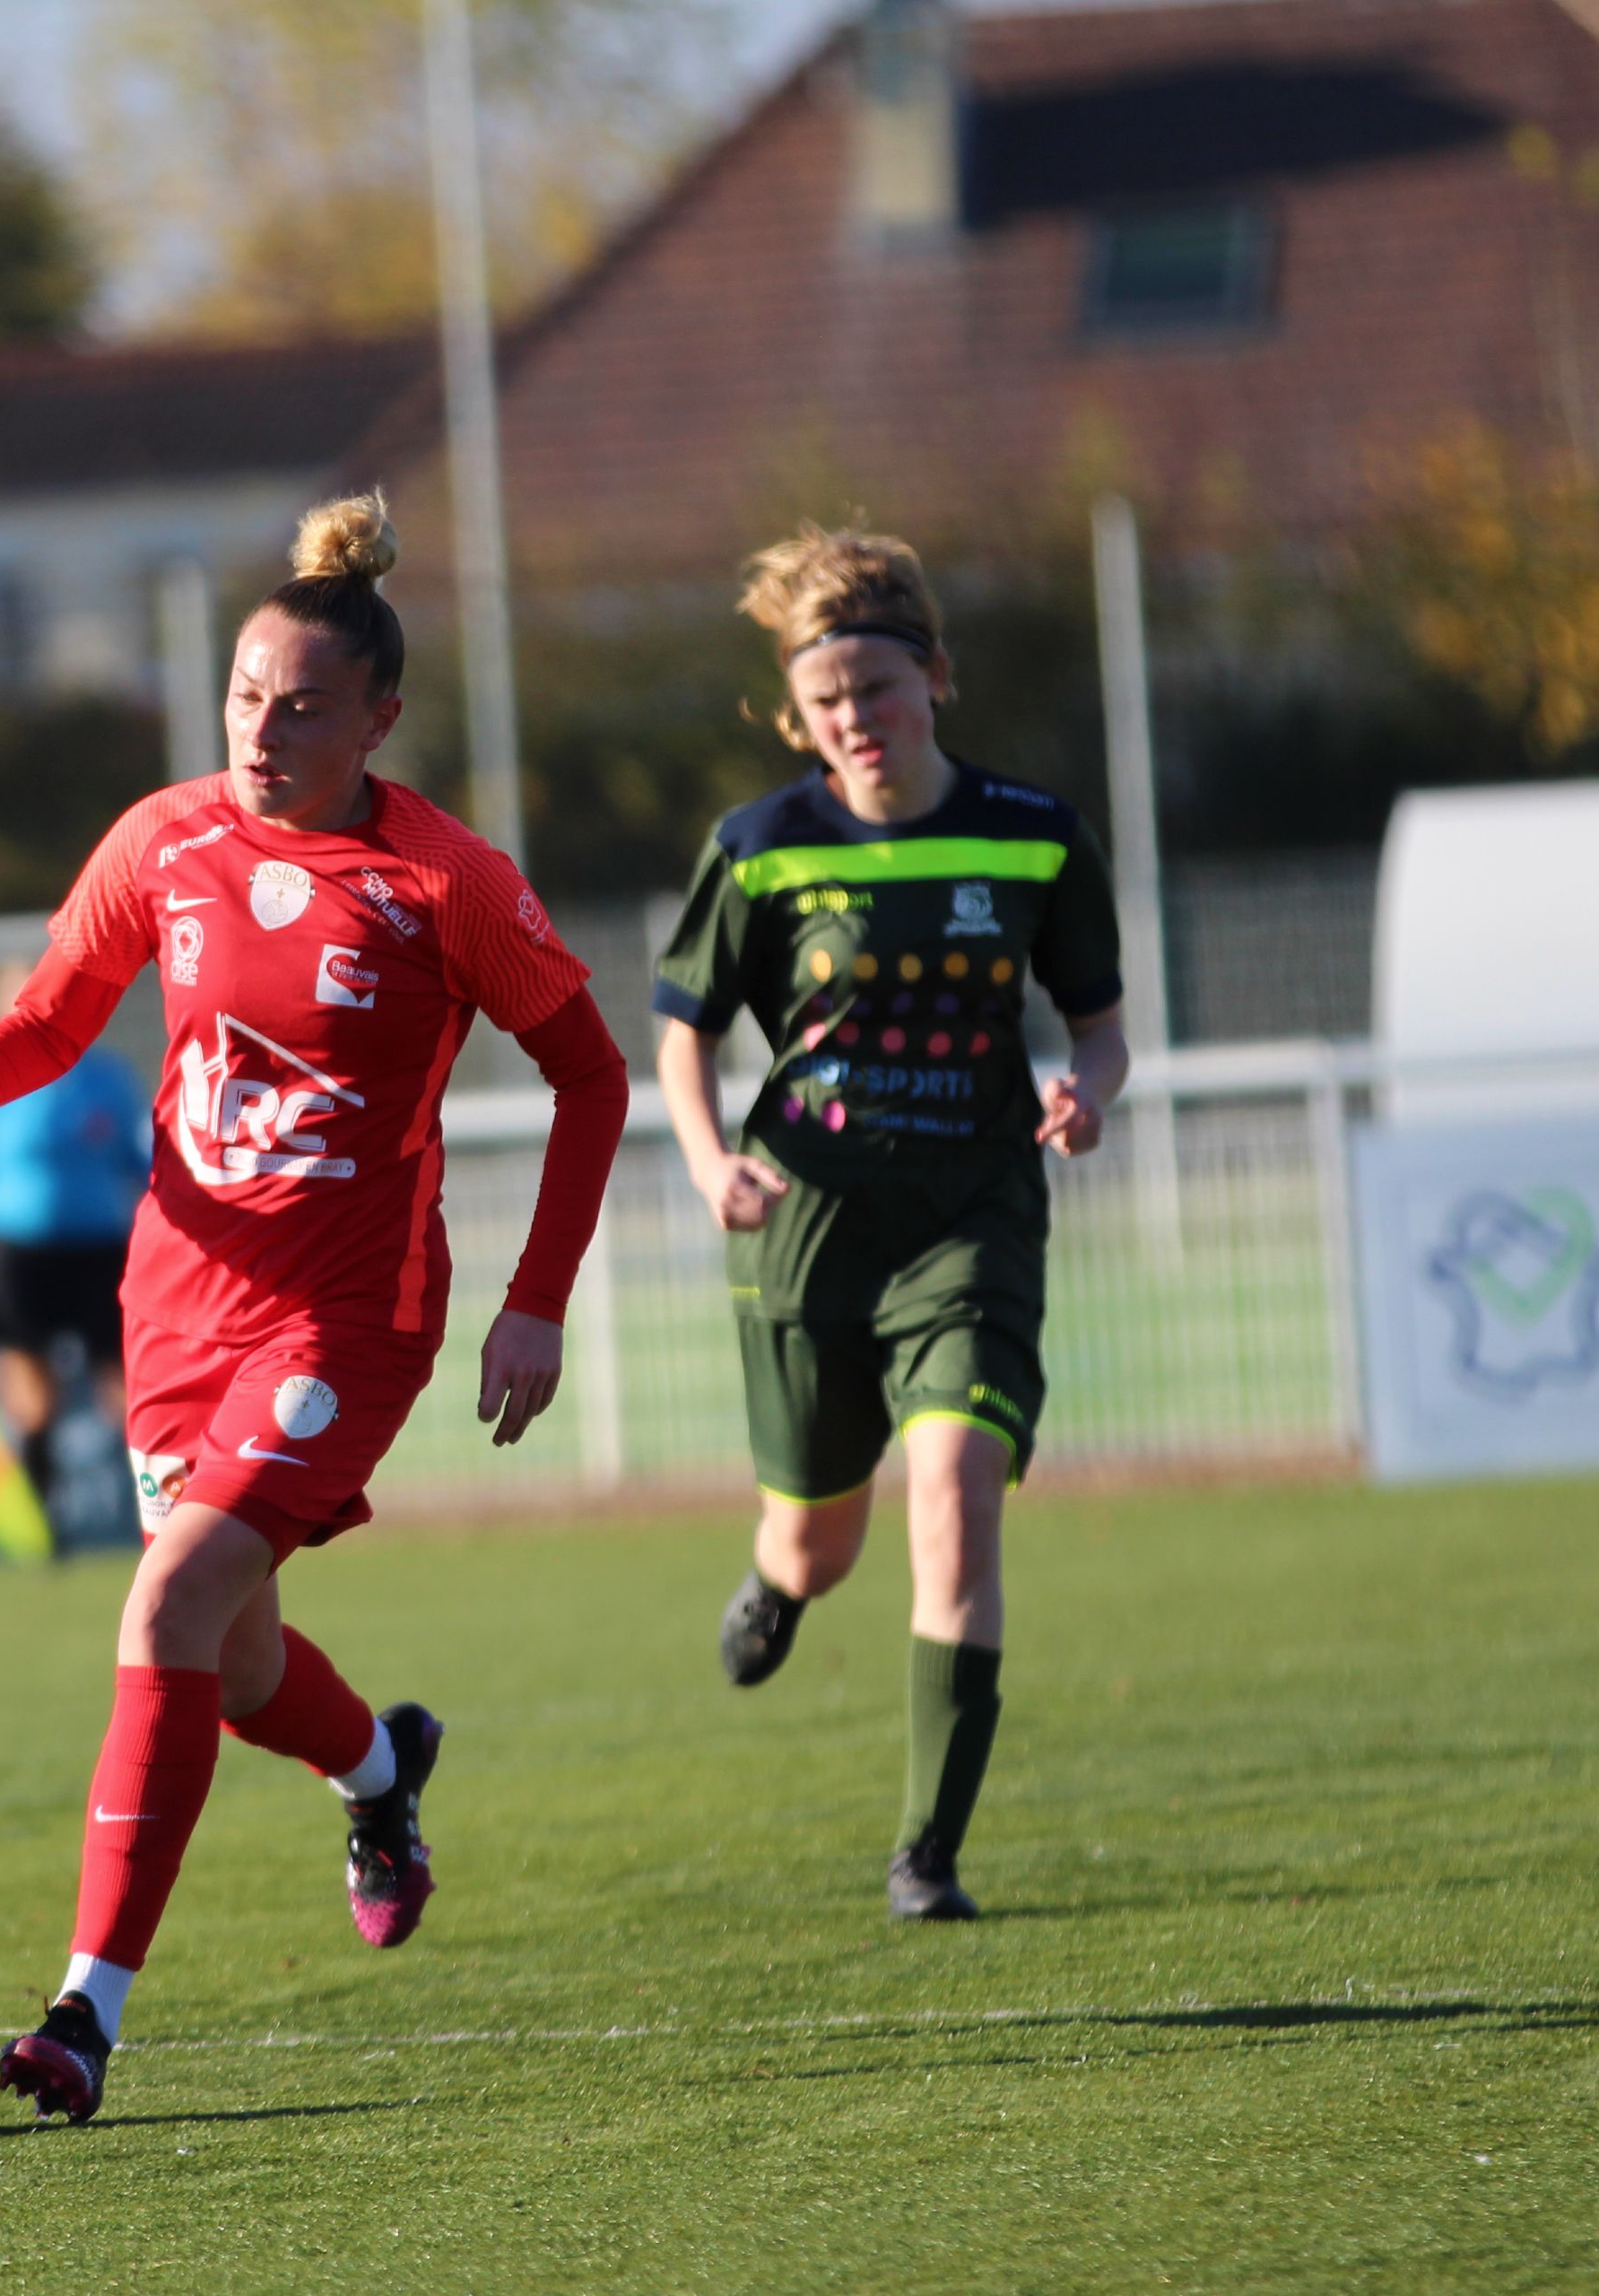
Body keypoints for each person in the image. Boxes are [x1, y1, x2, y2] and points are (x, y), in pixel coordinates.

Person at [0, 492, 630, 2122]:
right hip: (176, 1306)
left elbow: (590, 1081)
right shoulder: (162, 840)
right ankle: (381, 1778)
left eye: (306, 705)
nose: (266, 729)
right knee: (238, 1667)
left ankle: (83, 2017)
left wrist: (537, 1301)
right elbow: (47, 1027)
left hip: (347, 1317)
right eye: (247, 696)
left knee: (167, 1612)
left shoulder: (444, 881)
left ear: (379, 719)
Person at [650, 525, 1126, 1924]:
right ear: (796, 715)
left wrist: (1083, 1099)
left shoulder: (1035, 837)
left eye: (880, 686)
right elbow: (681, 1035)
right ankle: (777, 1585)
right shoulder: (759, 850)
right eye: (829, 699)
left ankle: (928, 1851)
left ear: (936, 678)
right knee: (821, 1545)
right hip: (809, 1227)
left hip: (972, 1220)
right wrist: (700, 1162)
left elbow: (1100, 1031)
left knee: (955, 1497)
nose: (857, 719)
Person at [0, 962, 152, 1527]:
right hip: (16, 1254)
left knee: (130, 1388)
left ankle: (159, 1516)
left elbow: (143, 1172)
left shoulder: (108, 1080)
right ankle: (44, 1513)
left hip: (100, 1250)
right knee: (32, 1392)